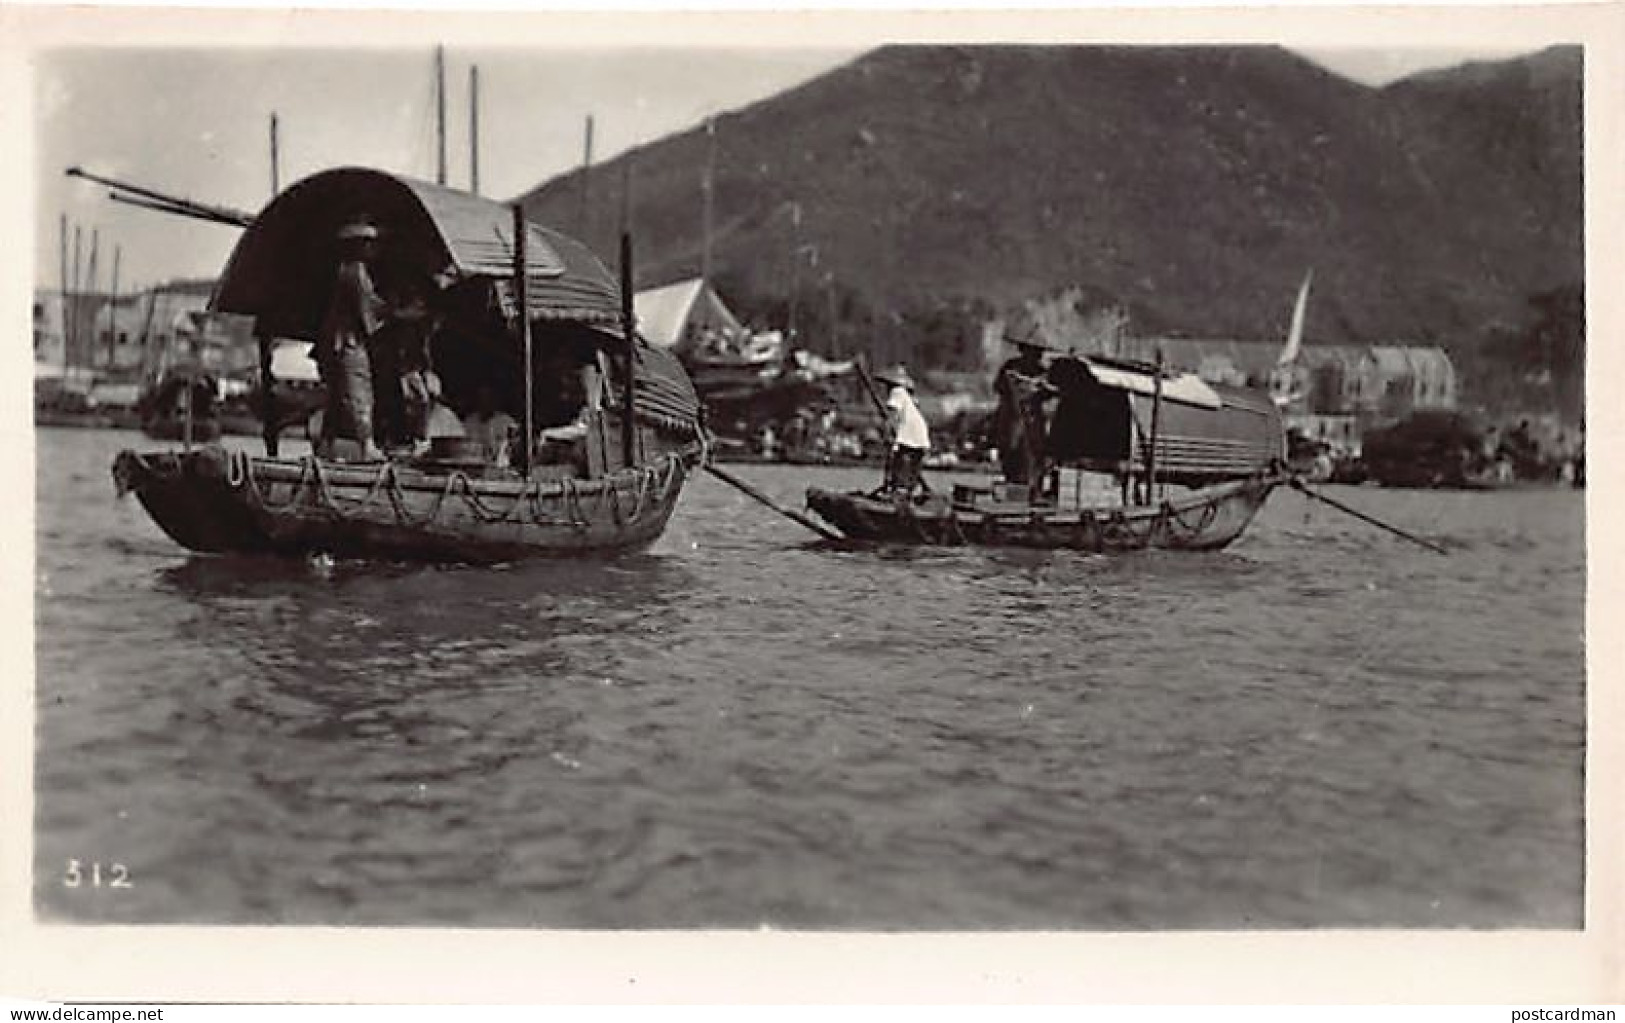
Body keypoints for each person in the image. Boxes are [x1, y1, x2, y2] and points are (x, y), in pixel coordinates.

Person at [316, 220, 387, 461]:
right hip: (349, 342)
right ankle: (366, 445)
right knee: (358, 394)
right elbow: (367, 311)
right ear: (361, 246)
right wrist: (393, 313)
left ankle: (326, 445)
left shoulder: (344, 270)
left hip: (336, 344)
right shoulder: (356, 272)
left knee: (337, 397)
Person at [993, 332, 1058, 500]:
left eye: (1038, 352)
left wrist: (1041, 389)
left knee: (1032, 460)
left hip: (1033, 422)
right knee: (1011, 456)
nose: (1036, 356)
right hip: (1011, 420)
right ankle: (1014, 495)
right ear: (1024, 350)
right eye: (1033, 351)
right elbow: (999, 387)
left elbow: (1052, 392)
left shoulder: (1043, 372)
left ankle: (1030, 495)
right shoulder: (1011, 367)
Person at [874, 364, 930, 498]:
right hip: (919, 436)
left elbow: (893, 415)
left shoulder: (897, 392)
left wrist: (887, 434)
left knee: (900, 465)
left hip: (911, 436)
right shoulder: (907, 397)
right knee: (909, 468)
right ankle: (906, 491)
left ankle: (899, 493)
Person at [462, 384, 518, 465]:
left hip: (499, 465)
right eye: (482, 398)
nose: (485, 401)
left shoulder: (506, 421)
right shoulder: (469, 421)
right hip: (474, 465)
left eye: (488, 398)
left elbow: (512, 448)